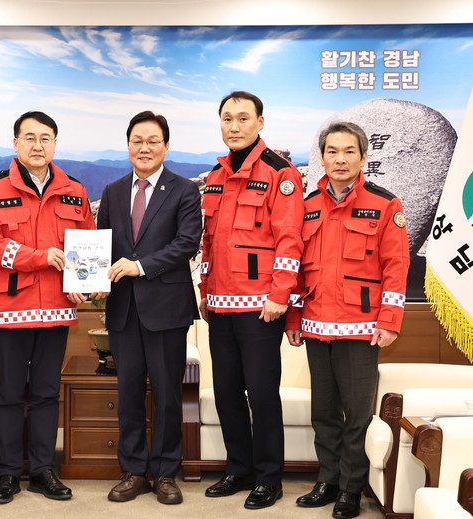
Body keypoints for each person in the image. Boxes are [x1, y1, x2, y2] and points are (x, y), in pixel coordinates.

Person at [0, 111, 95, 504]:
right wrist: (38, 257)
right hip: (11, 307)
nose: (38, 146)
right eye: (30, 138)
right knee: (9, 394)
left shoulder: (75, 190)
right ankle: (8, 472)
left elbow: (87, 243)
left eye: (45, 138)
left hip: (57, 308)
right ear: (16, 143)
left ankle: (42, 471)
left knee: (45, 393)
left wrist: (83, 285)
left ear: (54, 144)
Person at [286, 121, 409, 519]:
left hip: (361, 327)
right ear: (322, 158)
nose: (340, 159)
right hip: (316, 324)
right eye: (332, 151)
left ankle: (351, 488)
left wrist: (389, 320)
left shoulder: (385, 204)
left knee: (356, 414)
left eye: (349, 151)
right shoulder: (307, 205)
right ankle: (327, 479)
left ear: (363, 157)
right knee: (323, 412)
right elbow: (296, 269)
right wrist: (294, 317)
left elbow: (396, 266)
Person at [87, 111, 201, 505]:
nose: (144, 148)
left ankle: (165, 473)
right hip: (123, 310)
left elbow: (187, 243)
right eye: (137, 141)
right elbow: (102, 245)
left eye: (153, 141)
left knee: (167, 394)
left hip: (166, 308)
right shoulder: (113, 191)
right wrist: (90, 278)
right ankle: (133, 471)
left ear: (166, 146)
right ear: (128, 145)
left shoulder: (185, 190)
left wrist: (140, 266)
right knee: (129, 393)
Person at [198, 91, 304, 509]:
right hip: (219, 304)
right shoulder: (215, 175)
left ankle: (269, 477)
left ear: (260, 123)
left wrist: (280, 295)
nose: (234, 126)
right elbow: (209, 243)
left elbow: (290, 240)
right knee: (226, 392)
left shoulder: (280, 173)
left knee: (261, 394)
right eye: (227, 118)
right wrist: (205, 292)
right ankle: (238, 469)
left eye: (243, 118)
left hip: (261, 307)